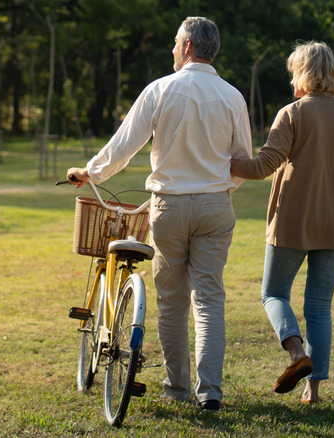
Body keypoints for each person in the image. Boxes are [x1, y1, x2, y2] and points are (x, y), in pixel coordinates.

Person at [67, 17, 252, 414]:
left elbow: (124, 146)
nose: (171, 50)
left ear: (187, 47)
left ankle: (177, 387)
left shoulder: (161, 89)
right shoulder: (233, 96)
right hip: (216, 205)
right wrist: (219, 189)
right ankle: (211, 393)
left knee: (172, 302)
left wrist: (90, 172)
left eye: (174, 43)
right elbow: (241, 162)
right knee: (209, 299)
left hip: (169, 206)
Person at [230, 41, 334, 404]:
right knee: (319, 307)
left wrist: (226, 162)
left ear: (304, 74)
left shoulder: (291, 114)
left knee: (273, 293)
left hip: (292, 222)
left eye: (293, 71)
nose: (290, 78)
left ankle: (296, 355)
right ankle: (313, 390)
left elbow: (262, 167)